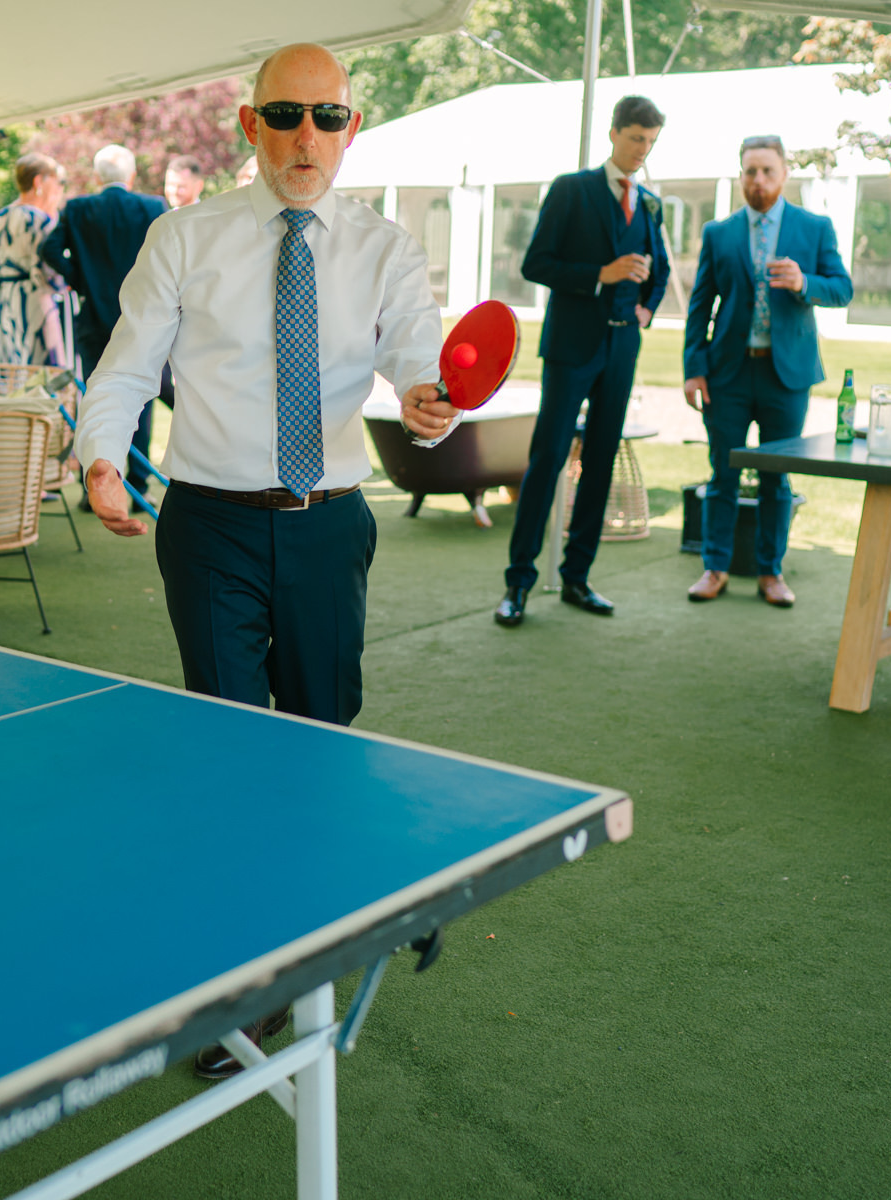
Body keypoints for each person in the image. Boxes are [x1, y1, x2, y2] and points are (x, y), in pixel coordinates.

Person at [75, 45, 450, 1083]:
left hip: (329, 526)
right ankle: (246, 988)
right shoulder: (183, 237)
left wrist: (423, 394)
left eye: (326, 117)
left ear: (352, 125)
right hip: (210, 528)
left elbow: (417, 351)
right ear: (249, 126)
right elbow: (126, 367)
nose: (305, 137)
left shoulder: (383, 246)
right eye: (284, 115)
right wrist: (103, 459)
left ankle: (319, 919)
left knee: (321, 743)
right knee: (232, 755)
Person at [494, 95, 671, 628]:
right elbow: (535, 263)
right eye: (636, 138)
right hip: (572, 347)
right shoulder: (572, 188)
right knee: (547, 459)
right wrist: (602, 274)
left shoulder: (651, 203)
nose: (642, 150)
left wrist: (644, 309)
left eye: (651, 142)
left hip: (622, 348)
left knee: (600, 462)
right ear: (615, 133)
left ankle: (577, 578)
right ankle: (518, 584)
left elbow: (658, 270)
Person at [681, 136, 854, 608]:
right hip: (727, 376)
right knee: (723, 475)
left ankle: (770, 572)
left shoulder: (814, 228)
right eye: (750, 172)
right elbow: (700, 305)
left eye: (767, 171)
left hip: (787, 378)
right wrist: (694, 369)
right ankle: (714, 568)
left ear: (784, 175)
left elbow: (842, 289)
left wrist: (804, 283)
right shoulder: (720, 232)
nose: (758, 180)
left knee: (778, 477)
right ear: (741, 175)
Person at [39, 144, 167, 503]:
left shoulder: (78, 208)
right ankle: (139, 484)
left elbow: (49, 250)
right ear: (130, 176)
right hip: (142, 318)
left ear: (97, 177)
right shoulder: (153, 207)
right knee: (142, 396)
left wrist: (80, 279)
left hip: (93, 318)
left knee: (98, 401)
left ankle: (93, 485)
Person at [0, 153, 68, 365]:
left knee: (12, 369)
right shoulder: (36, 218)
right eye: (55, 181)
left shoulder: (1, 215)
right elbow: (45, 272)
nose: (59, 187)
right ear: (39, 181)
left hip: (3, 302)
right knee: (41, 370)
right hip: (30, 304)